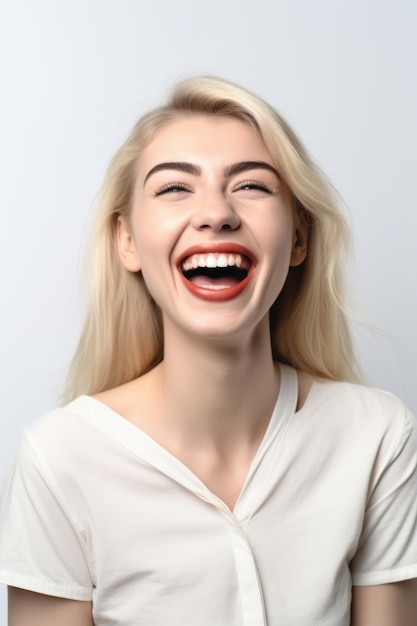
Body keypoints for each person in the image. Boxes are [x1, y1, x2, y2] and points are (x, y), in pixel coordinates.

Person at [0, 76, 416, 626]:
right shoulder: (60, 459)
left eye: (252, 186)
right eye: (175, 187)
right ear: (127, 240)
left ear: (298, 239)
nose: (216, 213)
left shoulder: (378, 437)